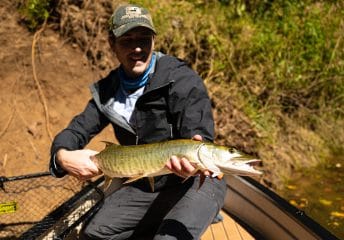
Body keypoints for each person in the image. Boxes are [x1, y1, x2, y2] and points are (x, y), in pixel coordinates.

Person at [49, 3, 226, 240]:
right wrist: (61, 156)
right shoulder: (107, 91)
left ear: (154, 40)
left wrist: (197, 144)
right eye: (127, 40)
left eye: (144, 38)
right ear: (112, 44)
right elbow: (76, 130)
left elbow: (198, 131)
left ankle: (197, 211)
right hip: (145, 184)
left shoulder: (180, 77)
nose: (137, 48)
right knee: (94, 235)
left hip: (193, 181)